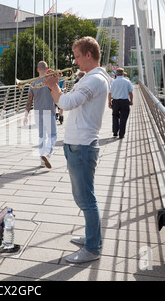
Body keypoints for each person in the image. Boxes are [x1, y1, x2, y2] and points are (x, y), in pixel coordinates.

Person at [45, 36, 112, 264]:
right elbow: (65, 101)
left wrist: (53, 85)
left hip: (82, 145)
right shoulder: (90, 78)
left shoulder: (93, 80)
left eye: (77, 56)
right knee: (83, 196)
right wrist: (54, 87)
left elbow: (66, 104)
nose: (75, 62)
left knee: (85, 199)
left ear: (88, 55)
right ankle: (93, 238)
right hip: (79, 144)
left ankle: (92, 249)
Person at [23, 61, 57, 169]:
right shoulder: (50, 80)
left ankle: (42, 160)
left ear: (37, 70)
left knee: (41, 135)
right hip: (49, 111)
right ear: (47, 68)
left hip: (37, 112)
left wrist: (26, 114)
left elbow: (29, 100)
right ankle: (47, 153)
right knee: (52, 135)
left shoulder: (33, 82)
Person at [108, 68, 134, 140]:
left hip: (115, 101)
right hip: (124, 101)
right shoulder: (127, 81)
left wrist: (109, 102)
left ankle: (115, 131)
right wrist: (131, 101)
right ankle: (121, 134)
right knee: (123, 118)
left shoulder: (114, 82)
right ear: (123, 74)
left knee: (115, 115)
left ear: (116, 74)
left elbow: (109, 93)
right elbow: (131, 93)